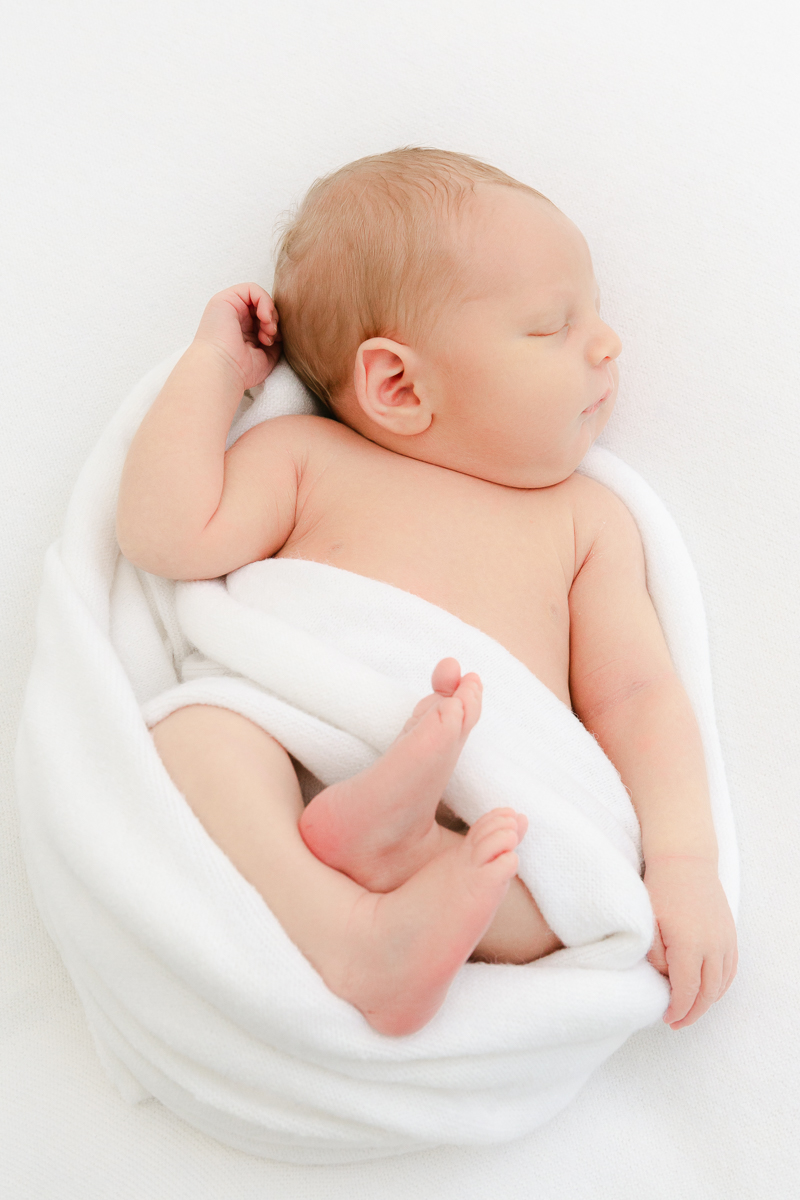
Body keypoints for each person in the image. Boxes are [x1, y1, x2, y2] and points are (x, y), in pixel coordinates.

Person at [116, 148, 737, 1037]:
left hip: (490, 792)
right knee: (196, 736)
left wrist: (681, 860)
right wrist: (218, 370)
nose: (607, 343)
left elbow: (638, 698)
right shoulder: (307, 461)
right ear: (399, 385)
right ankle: (341, 926)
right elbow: (162, 532)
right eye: (552, 326)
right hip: (314, 746)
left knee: (570, 899)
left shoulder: (585, 520)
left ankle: (406, 870)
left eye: (593, 315)